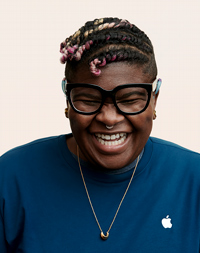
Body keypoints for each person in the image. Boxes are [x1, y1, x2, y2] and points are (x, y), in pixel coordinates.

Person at [0, 17, 200, 252]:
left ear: (154, 101)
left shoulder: (193, 180)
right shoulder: (12, 177)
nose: (109, 118)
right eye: (88, 100)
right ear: (68, 101)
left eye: (130, 100)